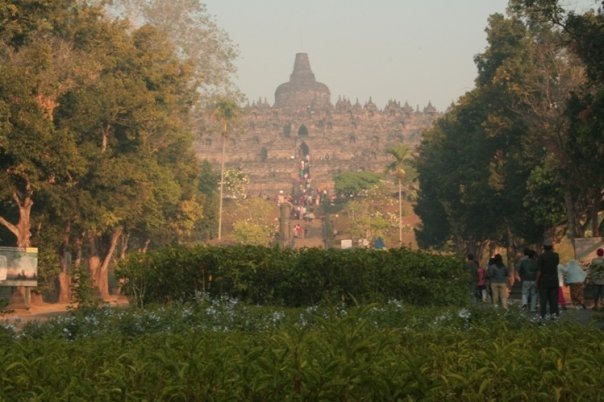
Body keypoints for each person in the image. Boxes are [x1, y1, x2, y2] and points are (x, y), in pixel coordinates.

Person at [536, 239, 560, 319]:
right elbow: (556, 264)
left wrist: (537, 281)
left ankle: (542, 316)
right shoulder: (556, 255)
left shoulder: (541, 257)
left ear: (544, 247)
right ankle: (554, 316)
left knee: (543, 300)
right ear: (552, 247)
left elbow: (539, 270)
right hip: (554, 280)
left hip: (543, 281)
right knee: (554, 300)